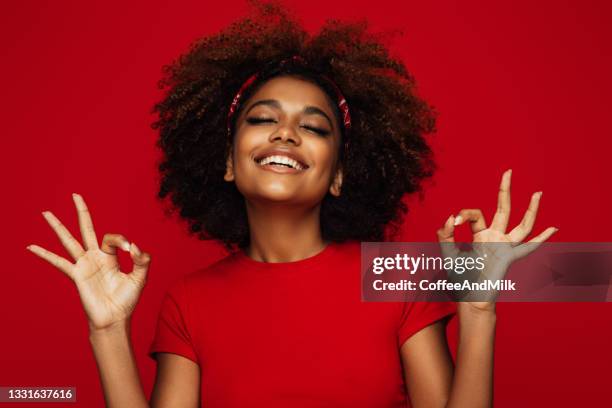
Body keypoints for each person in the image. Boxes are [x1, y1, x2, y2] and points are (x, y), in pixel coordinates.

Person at [26, 2, 558, 407]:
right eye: (262, 119)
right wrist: (108, 332)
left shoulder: (403, 280)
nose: (285, 133)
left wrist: (479, 307)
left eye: (313, 126)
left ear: (339, 175)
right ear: (230, 162)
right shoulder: (188, 302)